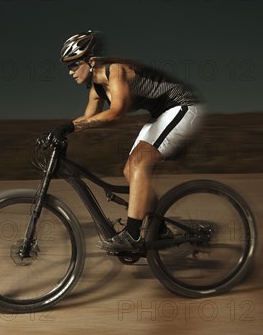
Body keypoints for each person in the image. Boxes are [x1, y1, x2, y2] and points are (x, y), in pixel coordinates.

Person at [52, 30, 204, 253]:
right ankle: (159, 229)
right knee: (129, 171)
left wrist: (73, 127)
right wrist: (61, 130)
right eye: (68, 67)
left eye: (74, 65)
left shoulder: (116, 72)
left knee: (140, 162)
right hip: (161, 114)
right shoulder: (96, 88)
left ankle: (132, 235)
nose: (70, 72)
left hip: (183, 105)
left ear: (91, 61)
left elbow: (116, 114)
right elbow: (87, 118)